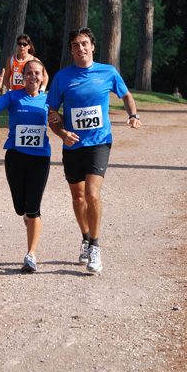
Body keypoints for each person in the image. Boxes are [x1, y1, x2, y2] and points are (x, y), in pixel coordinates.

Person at [47, 27, 142, 275]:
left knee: (92, 194)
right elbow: (52, 113)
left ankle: (96, 246)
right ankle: (86, 238)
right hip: (72, 144)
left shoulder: (108, 72)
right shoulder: (62, 77)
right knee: (78, 198)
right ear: (71, 50)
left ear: (92, 46)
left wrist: (133, 115)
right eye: (76, 45)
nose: (81, 49)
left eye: (84, 44)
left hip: (99, 142)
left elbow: (127, 95)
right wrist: (61, 133)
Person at [0, 60, 50, 272]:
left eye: (37, 73)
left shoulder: (49, 100)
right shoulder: (12, 96)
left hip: (40, 158)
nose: (33, 77)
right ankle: (27, 216)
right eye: (29, 73)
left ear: (42, 76)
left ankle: (31, 255)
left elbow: (59, 122)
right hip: (15, 156)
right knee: (20, 207)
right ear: (22, 76)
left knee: (34, 209)